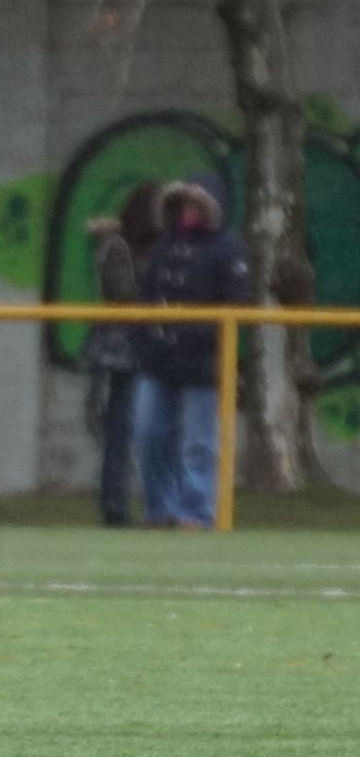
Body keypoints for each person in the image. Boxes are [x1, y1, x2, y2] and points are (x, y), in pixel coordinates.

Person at [134, 175, 250, 530]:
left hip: (204, 361)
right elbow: (147, 294)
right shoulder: (165, 247)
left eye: (196, 205)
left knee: (199, 443)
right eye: (184, 204)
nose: (189, 211)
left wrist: (195, 331)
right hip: (160, 360)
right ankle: (161, 509)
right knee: (149, 433)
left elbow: (238, 302)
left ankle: (196, 513)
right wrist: (148, 336)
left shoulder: (228, 248)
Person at [82, 181, 162, 528]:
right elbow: (119, 291)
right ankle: (114, 505)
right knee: (121, 427)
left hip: (145, 345)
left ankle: (147, 503)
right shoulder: (119, 246)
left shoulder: (152, 247)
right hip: (121, 349)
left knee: (142, 428)